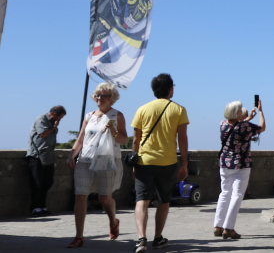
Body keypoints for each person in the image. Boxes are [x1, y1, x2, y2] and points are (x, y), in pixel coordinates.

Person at [131, 73, 189, 253]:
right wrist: (184, 163)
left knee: (142, 200)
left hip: (144, 161)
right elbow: (183, 138)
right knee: (164, 201)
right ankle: (158, 238)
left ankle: (141, 239)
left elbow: (135, 139)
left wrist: (134, 162)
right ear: (170, 88)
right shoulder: (179, 110)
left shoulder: (142, 109)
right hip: (168, 162)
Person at [67, 83, 128, 247]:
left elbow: (124, 140)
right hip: (85, 159)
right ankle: (79, 236)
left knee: (104, 198)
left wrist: (113, 131)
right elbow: (80, 139)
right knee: (80, 195)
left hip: (106, 159)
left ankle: (113, 221)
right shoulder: (89, 116)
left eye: (103, 95)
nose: (99, 98)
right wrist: (72, 155)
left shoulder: (117, 116)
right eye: (98, 95)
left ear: (112, 98)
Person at [213, 99, 265, 239]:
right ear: (237, 113)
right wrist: (260, 112)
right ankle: (229, 228)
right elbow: (262, 127)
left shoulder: (222, 124)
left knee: (224, 194)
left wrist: (248, 118)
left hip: (225, 164)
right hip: (241, 164)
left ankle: (218, 226)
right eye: (240, 110)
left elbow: (237, 126)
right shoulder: (245, 126)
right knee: (236, 195)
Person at [27, 105, 66, 216]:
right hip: (37, 155)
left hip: (48, 156)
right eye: (59, 117)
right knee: (37, 183)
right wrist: (54, 127)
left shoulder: (53, 122)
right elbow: (42, 134)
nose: (59, 120)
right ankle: (35, 208)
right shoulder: (41, 119)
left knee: (47, 182)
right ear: (54, 114)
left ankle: (42, 206)